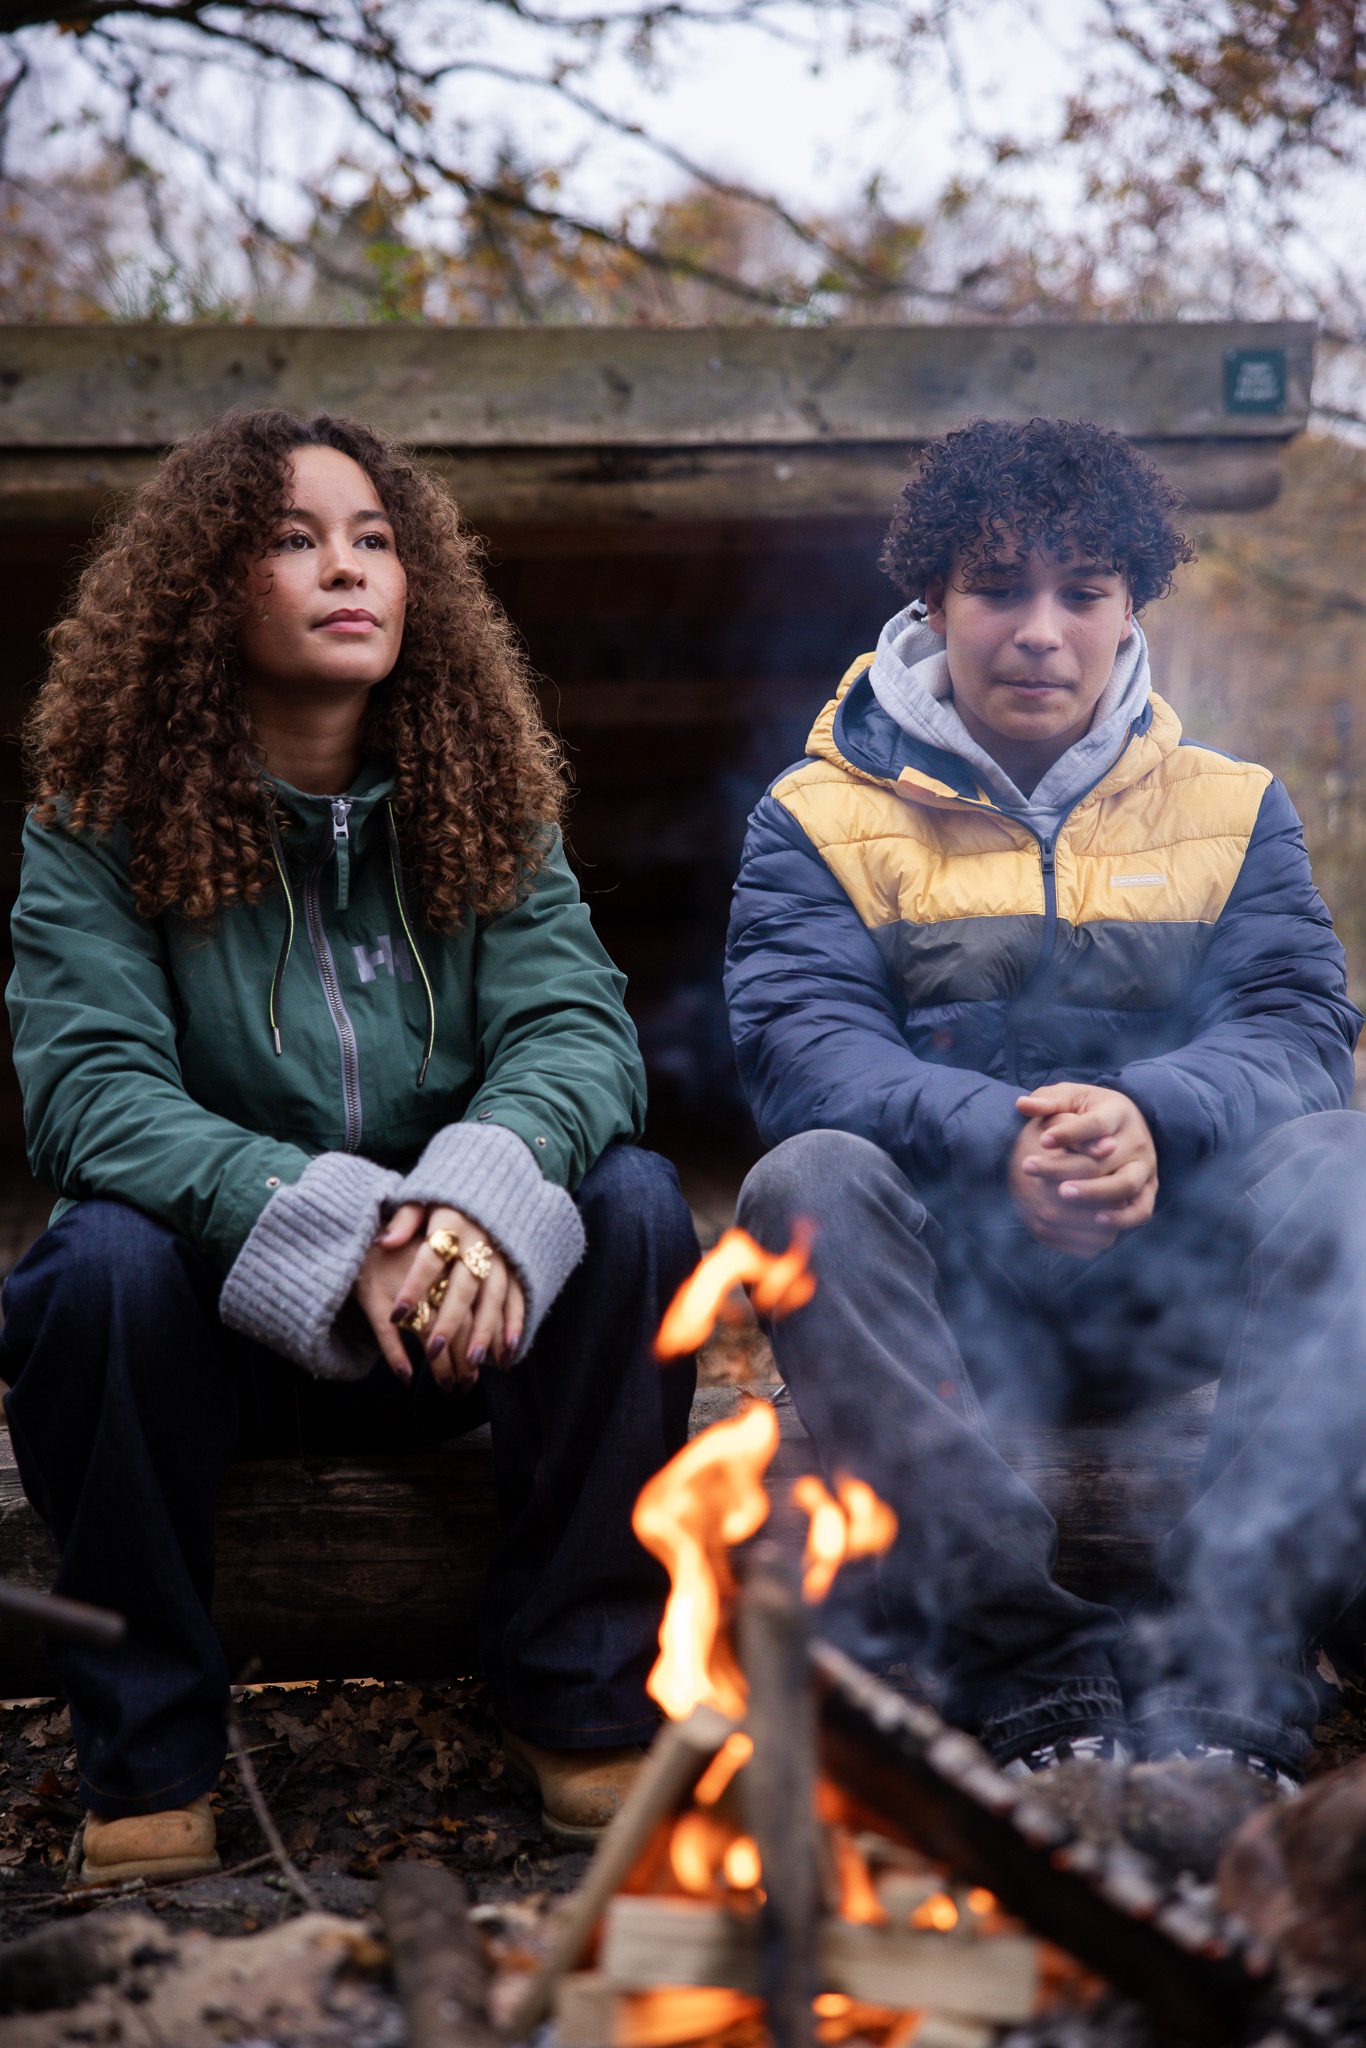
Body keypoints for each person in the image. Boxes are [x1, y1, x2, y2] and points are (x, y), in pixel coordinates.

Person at [0, 408, 698, 1882]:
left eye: (374, 540)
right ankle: (149, 1753)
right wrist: (330, 1226)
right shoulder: (97, 822)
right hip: (223, 1341)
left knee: (634, 1206)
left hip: (459, 1324)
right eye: (293, 538)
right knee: (92, 1267)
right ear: (206, 588)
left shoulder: (487, 803)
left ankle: (580, 1697)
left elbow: (577, 1033)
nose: (347, 568)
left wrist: (468, 1208)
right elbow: (90, 1092)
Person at [724, 414, 1366, 1791]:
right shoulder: (815, 814)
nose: (1039, 632)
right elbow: (800, 1049)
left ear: (1130, 608)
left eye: (1081, 592)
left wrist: (1147, 1116)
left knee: (1343, 1159)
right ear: (933, 602)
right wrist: (993, 1144)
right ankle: (1027, 1679)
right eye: (998, 588)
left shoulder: (1233, 807)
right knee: (806, 1183)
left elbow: (1300, 1029)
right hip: (948, 1304)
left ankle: (1224, 1685)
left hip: (1176, 1290)